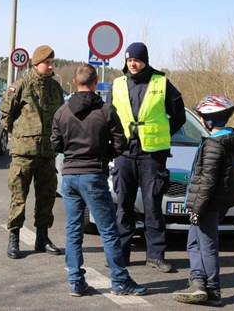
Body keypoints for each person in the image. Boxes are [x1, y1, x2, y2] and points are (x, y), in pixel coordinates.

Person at [51, 63, 148, 297]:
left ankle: (76, 282)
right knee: (108, 230)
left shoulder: (62, 112)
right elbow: (120, 143)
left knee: (73, 230)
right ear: (95, 83)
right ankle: (120, 281)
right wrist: (104, 156)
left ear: (75, 83)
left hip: (70, 176)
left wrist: (72, 152)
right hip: (93, 174)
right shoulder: (106, 111)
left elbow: (55, 144)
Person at [106, 42, 186, 272]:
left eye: (137, 60)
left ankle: (156, 255)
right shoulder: (118, 84)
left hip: (152, 155)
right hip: (124, 154)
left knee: (152, 206)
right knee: (124, 206)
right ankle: (121, 255)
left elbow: (179, 115)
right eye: (130, 60)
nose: (133, 63)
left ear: (145, 60)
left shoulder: (161, 83)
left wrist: (163, 135)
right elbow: (108, 116)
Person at [173, 95, 234, 306]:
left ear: (209, 120)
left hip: (207, 205)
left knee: (206, 246)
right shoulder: (229, 139)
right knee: (194, 243)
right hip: (215, 203)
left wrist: (197, 209)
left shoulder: (214, 144)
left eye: (202, 116)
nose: (201, 119)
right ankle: (198, 284)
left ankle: (212, 289)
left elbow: (207, 181)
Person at [0, 45, 65, 259]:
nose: (51, 66)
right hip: (23, 154)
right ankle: (14, 239)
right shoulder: (20, 86)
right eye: (47, 62)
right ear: (36, 63)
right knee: (19, 197)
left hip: (47, 154)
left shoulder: (55, 88)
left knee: (46, 197)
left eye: (52, 62)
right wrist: (20, 136)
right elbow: (5, 116)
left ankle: (42, 238)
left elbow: (60, 118)